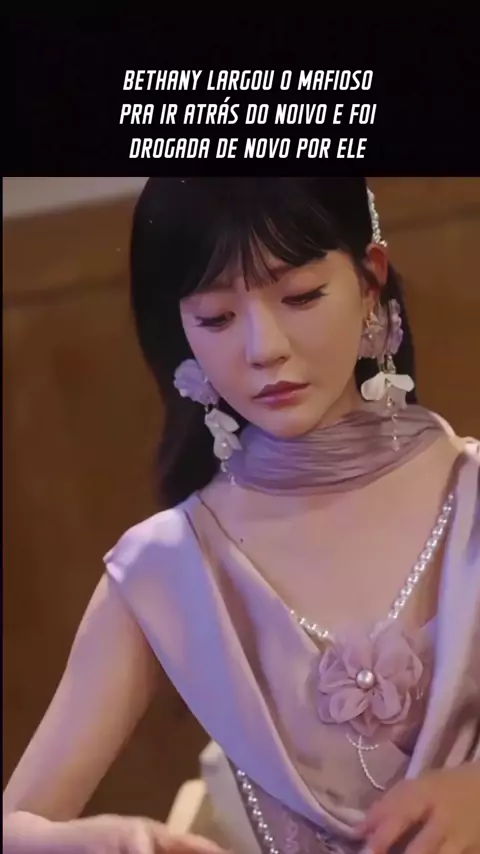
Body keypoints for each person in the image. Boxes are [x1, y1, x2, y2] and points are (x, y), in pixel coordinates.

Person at [3, 178, 479, 854]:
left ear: (370, 280)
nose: (263, 347)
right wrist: (105, 842)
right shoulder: (169, 566)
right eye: (217, 318)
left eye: (301, 296)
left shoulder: (470, 493)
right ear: (181, 329)